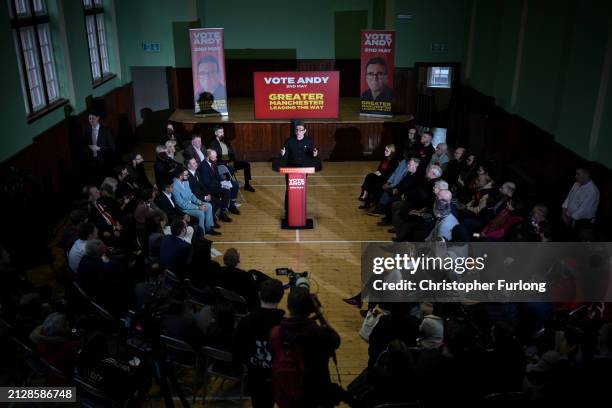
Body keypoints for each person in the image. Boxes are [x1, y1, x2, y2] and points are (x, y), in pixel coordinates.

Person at [270, 287, 341, 408]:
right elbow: (336, 340)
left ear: (287, 306)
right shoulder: (321, 334)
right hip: (317, 391)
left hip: (289, 393)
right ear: (311, 309)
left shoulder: (276, 333)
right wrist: (319, 314)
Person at [234, 279, 285, 408]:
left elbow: (239, 350)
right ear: (281, 297)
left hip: (255, 376)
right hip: (281, 377)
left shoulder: (245, 322)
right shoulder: (286, 326)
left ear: (259, 295)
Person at [171, 167, 219, 237]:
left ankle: (208, 229)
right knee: (201, 213)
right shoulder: (174, 186)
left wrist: (200, 202)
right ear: (180, 176)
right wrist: (198, 207)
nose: (188, 176)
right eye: (186, 175)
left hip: (191, 203)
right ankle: (201, 235)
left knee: (208, 205)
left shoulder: (186, 181)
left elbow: (191, 195)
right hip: (184, 208)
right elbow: (181, 204)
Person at [209, 125, 256, 192]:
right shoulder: (213, 143)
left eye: (223, 132)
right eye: (220, 132)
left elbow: (232, 153)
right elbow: (216, 157)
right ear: (215, 133)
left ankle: (247, 185)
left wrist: (232, 160)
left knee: (246, 164)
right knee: (229, 169)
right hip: (222, 165)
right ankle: (230, 187)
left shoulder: (226, 141)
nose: (222, 134)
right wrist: (227, 160)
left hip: (230, 162)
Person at [199, 149, 240, 216]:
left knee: (235, 185)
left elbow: (217, 176)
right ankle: (222, 212)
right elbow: (207, 183)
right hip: (210, 188)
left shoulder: (213, 162)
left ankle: (232, 205)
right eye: (214, 157)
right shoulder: (203, 167)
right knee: (227, 191)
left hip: (217, 184)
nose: (216, 159)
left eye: (216, 157)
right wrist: (221, 185)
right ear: (208, 157)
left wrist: (224, 181)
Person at [83, 111, 115, 181]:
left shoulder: (106, 131)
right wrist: (89, 147)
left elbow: (112, 148)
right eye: (89, 119)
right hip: (92, 162)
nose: (91, 120)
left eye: (93, 118)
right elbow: (85, 145)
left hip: (104, 161)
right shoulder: (87, 131)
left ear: (97, 118)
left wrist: (99, 148)